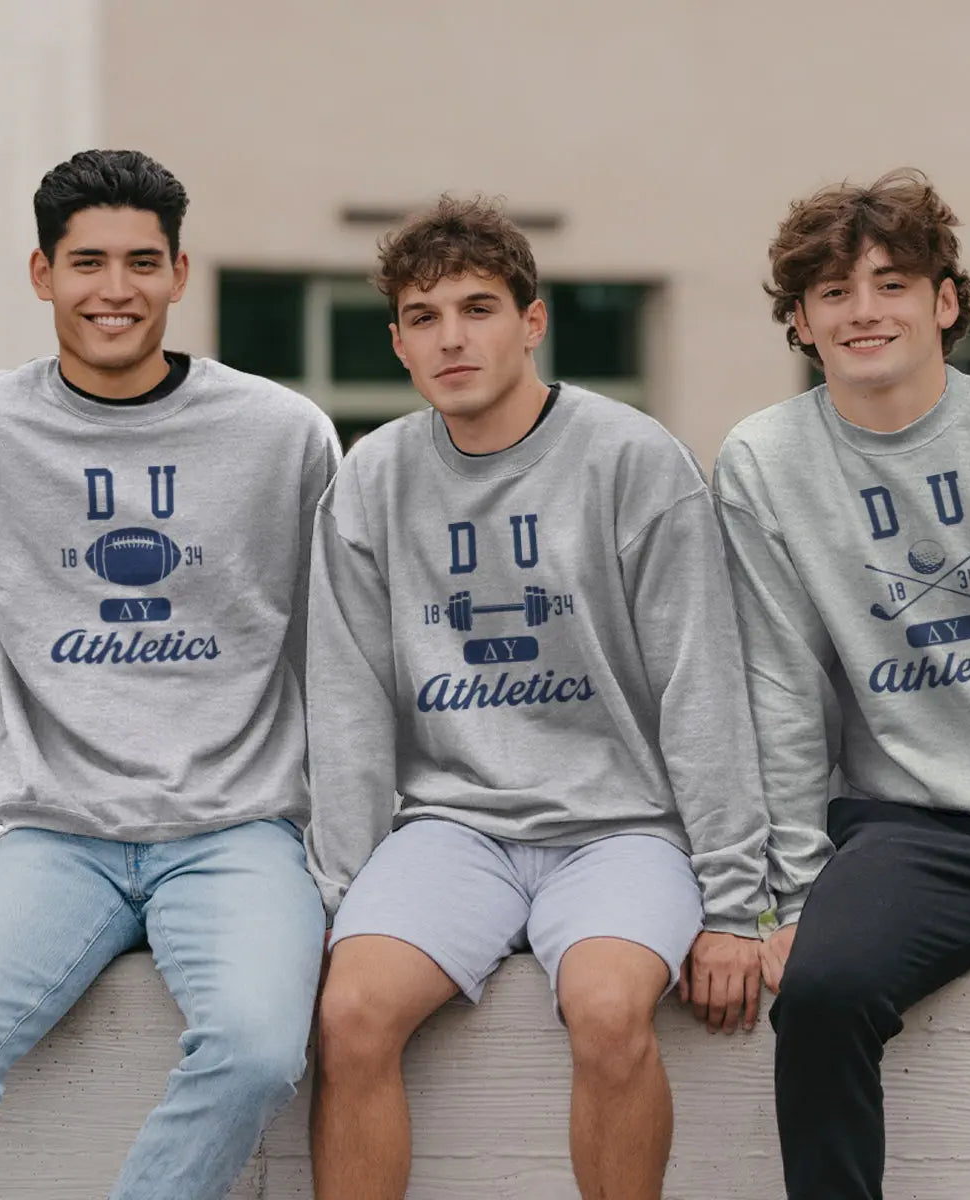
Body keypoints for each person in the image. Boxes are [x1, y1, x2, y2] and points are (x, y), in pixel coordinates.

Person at [304, 195, 771, 1200]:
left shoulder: (632, 459)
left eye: (477, 309)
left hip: (621, 828)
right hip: (452, 827)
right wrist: (337, 901)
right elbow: (347, 709)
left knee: (607, 1009)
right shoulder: (372, 478)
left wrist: (737, 903)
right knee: (349, 1013)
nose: (451, 338)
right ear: (397, 342)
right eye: (424, 318)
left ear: (531, 321)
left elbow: (701, 686)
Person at [713, 167, 970, 1200]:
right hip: (916, 832)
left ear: (945, 302)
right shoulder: (764, 461)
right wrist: (790, 897)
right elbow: (782, 687)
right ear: (801, 322)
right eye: (834, 292)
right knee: (822, 995)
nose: (864, 311)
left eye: (892, 284)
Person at [0, 149, 339, 1200]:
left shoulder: (282, 433)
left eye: (141, 263)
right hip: (49, 837)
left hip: (239, 831)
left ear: (178, 274)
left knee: (257, 1050)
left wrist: (343, 858)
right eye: (87, 263)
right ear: (42, 274)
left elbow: (333, 662)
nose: (115, 290)